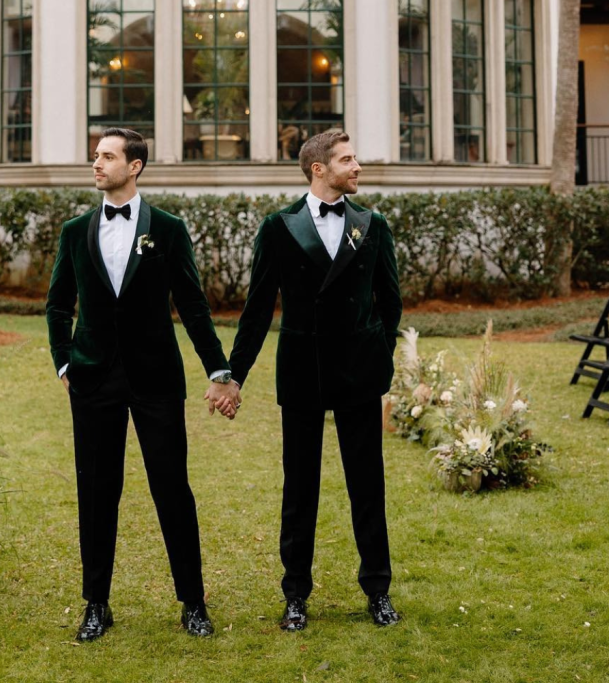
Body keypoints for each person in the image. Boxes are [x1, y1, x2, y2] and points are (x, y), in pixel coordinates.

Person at [46, 127, 238, 642]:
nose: (97, 164)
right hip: (92, 381)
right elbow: (58, 304)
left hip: (155, 379)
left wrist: (219, 370)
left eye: (107, 156)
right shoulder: (75, 230)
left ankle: (193, 603)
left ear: (134, 166)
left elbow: (193, 306)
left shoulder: (169, 230)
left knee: (172, 489)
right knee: (96, 492)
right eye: (95, 156)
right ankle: (96, 604)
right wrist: (64, 363)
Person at [217, 131, 403, 631]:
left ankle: (378, 590)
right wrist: (235, 375)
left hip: (358, 375)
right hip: (302, 371)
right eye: (347, 159)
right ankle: (295, 593)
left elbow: (391, 302)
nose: (357, 165)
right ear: (318, 169)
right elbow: (257, 310)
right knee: (300, 488)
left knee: (368, 486)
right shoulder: (279, 227)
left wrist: (378, 356)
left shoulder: (373, 224)